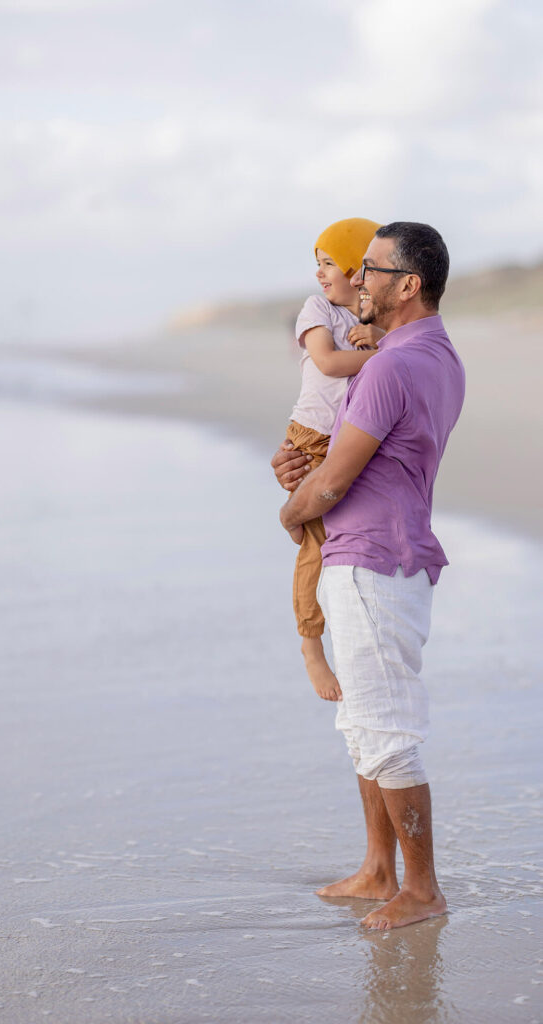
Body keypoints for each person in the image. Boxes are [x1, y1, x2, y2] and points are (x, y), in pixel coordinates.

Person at [273, 222, 465, 930]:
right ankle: (378, 869)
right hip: (384, 552)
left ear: (406, 284)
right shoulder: (436, 356)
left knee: (385, 729)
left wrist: (293, 509)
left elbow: (333, 484)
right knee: (362, 723)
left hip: (371, 561)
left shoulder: (388, 366)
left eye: (371, 270)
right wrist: (301, 474)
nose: (357, 281)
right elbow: (354, 461)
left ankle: (421, 890)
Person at [285, 218, 383, 701]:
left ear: (355, 266)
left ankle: (349, 630)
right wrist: (381, 355)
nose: (321, 274)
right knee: (315, 547)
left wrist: (378, 342)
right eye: (317, 264)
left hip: (343, 439)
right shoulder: (318, 308)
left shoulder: (369, 319)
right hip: (310, 439)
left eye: (329, 263)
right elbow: (326, 362)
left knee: (340, 544)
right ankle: (311, 645)